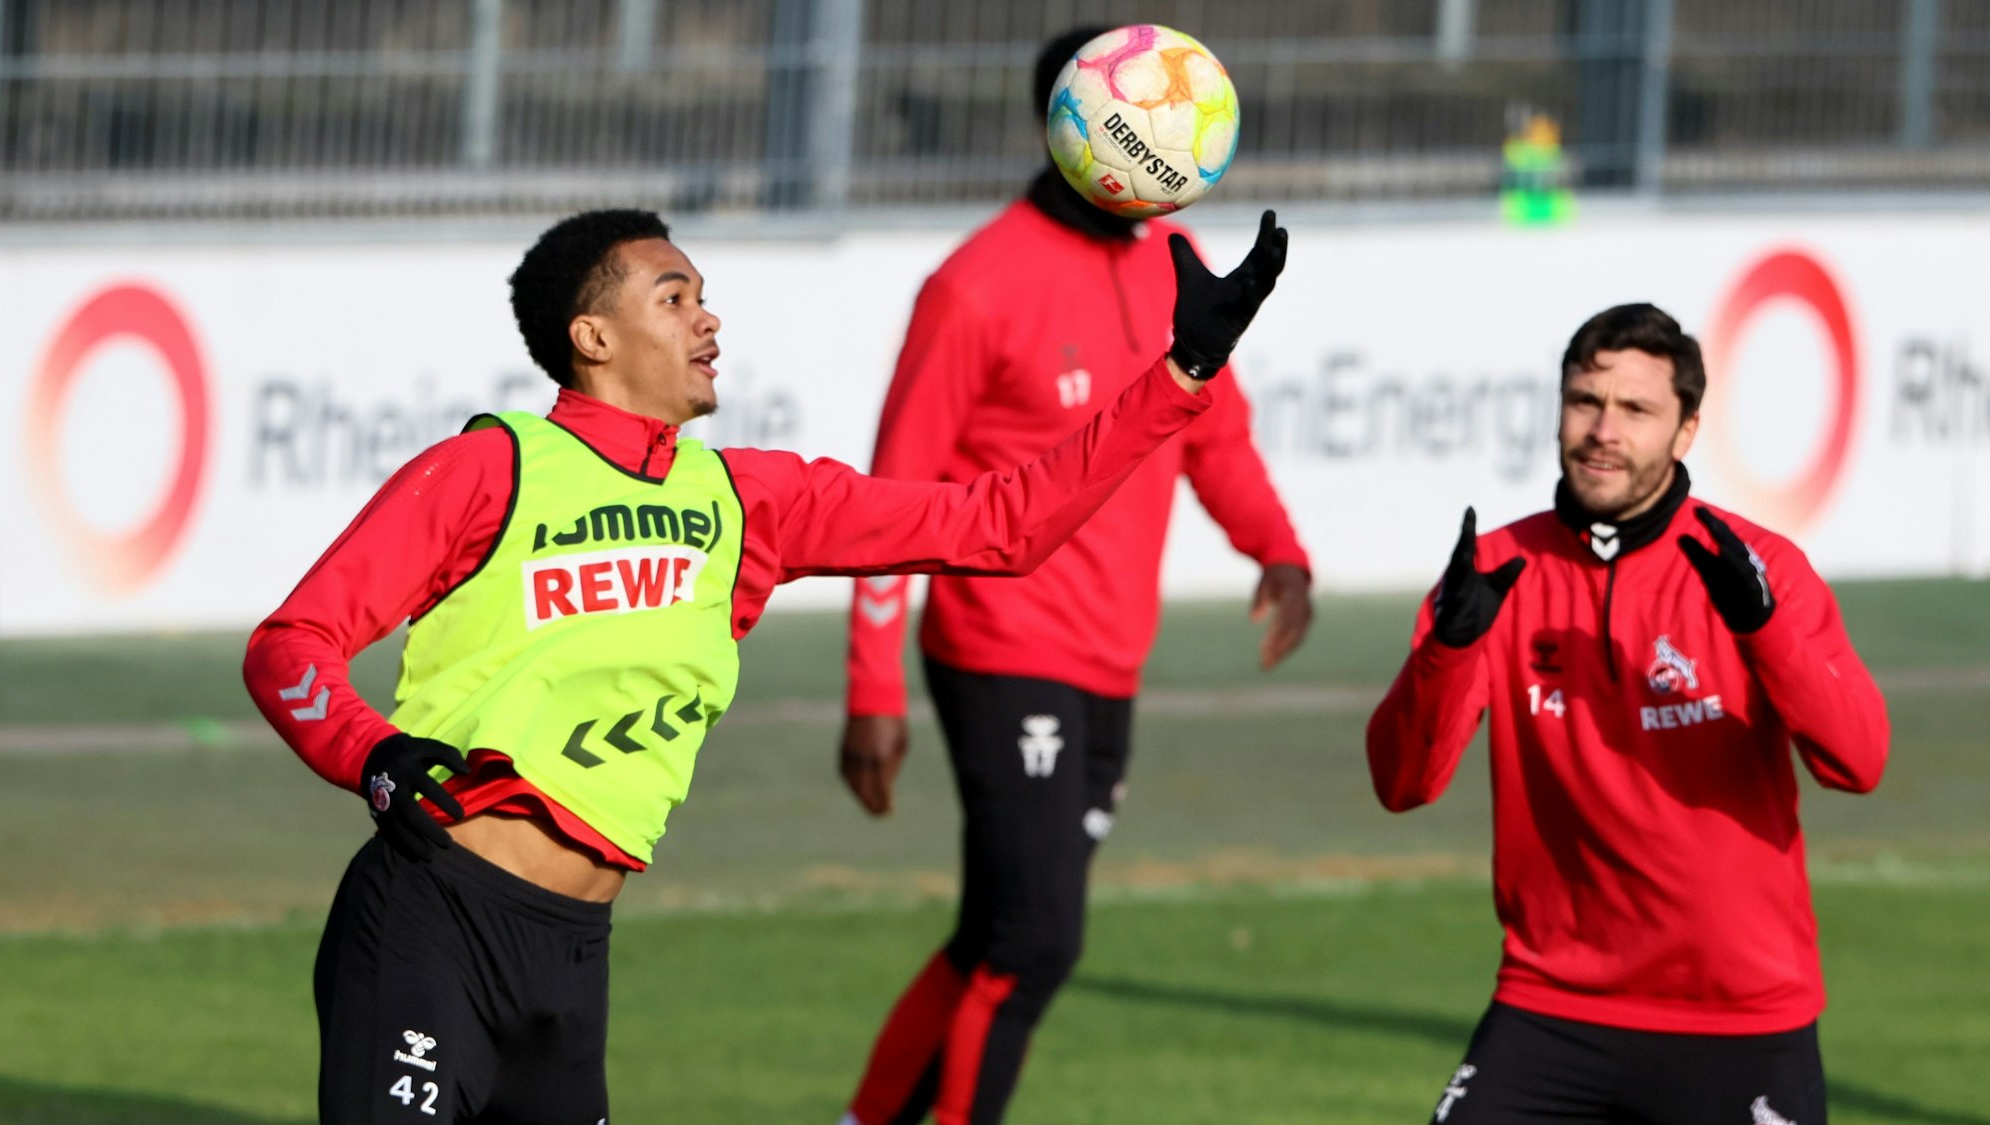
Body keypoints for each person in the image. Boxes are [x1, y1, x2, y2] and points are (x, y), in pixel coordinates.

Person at [241, 205, 1288, 1123]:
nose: (709, 319)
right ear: (591, 335)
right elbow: (292, 647)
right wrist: (373, 756)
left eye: (704, 295)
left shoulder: (746, 500)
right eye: (674, 296)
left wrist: (1179, 374)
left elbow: (999, 526)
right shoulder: (488, 468)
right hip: (433, 921)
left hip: (572, 954)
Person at [836, 28, 1313, 1125]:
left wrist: (1276, 551)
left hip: (1110, 659)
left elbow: (1215, 438)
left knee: (994, 932)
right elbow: (891, 497)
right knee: (1036, 937)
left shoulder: (1172, 268)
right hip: (1000, 651)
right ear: (1076, 124)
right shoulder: (973, 286)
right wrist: (871, 691)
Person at [1366, 303, 1890, 1125]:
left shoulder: (1759, 571)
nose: (1604, 429)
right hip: (1552, 1004)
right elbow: (1401, 783)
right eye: (1585, 402)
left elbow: (1859, 760)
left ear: (1686, 431)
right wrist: (1448, 649)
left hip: (1740, 1015)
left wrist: (1763, 631)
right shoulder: (1497, 572)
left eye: (1637, 410)